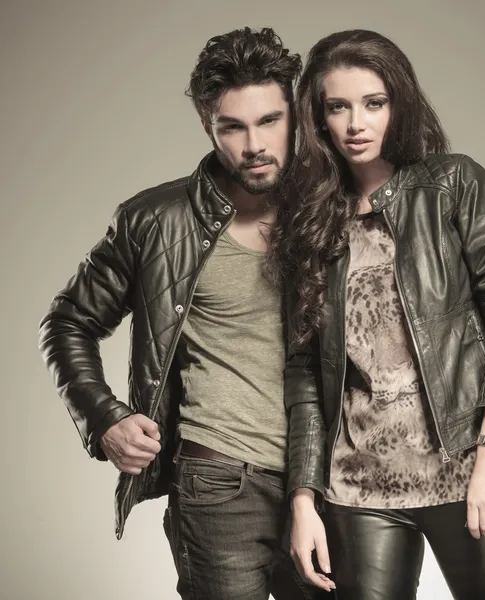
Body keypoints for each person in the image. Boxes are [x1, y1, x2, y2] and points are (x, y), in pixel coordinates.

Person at [38, 26, 326, 600]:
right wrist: (105, 417)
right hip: (217, 480)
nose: (254, 145)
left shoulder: (330, 209)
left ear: (295, 115)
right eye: (232, 126)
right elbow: (70, 320)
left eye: (270, 121)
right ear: (206, 126)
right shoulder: (155, 220)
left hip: (327, 479)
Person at [272, 29, 485, 599]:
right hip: (359, 488)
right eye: (337, 107)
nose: (355, 124)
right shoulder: (311, 222)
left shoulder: (453, 186)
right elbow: (304, 373)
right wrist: (302, 497)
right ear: (318, 119)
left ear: (399, 103)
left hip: (467, 470)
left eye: (374, 103)